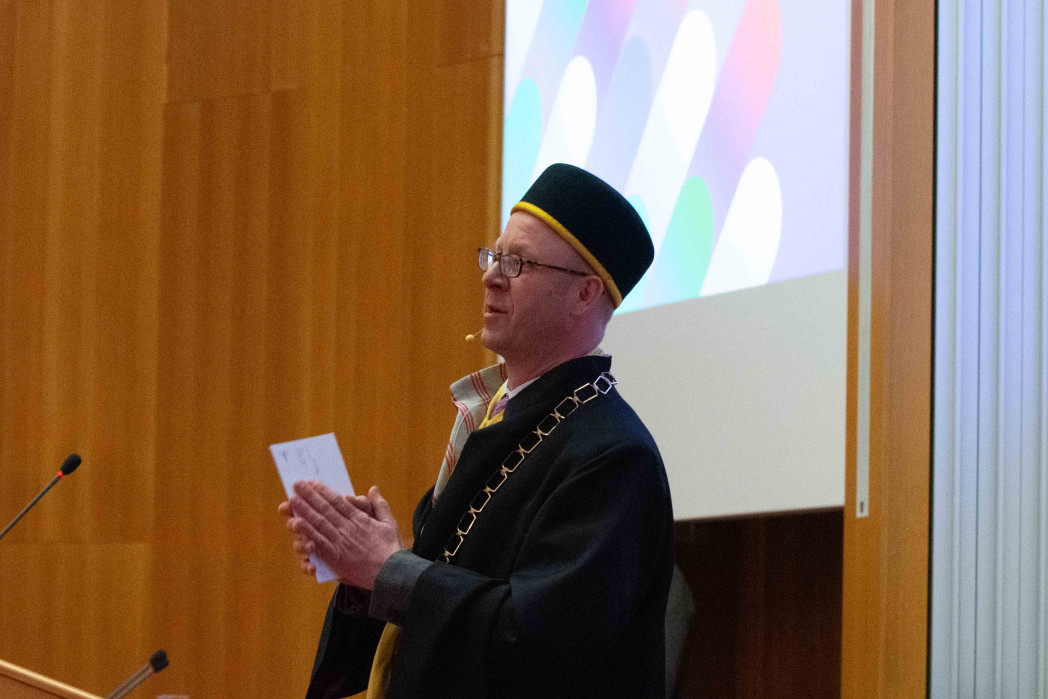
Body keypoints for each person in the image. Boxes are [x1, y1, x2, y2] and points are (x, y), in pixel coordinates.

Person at [280, 164, 674, 698]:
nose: (491, 275)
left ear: (585, 294)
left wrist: (389, 570)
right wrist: (364, 567)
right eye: (493, 256)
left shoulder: (611, 455)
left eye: (519, 263)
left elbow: (540, 645)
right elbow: (441, 598)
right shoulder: (495, 419)